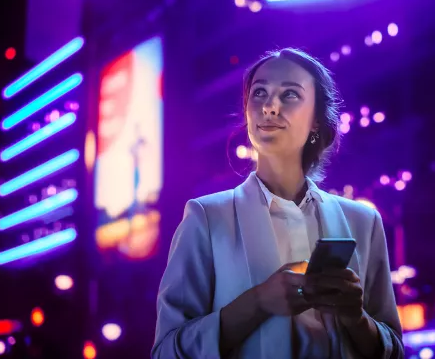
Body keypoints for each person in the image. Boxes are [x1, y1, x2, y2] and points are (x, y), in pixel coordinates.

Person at [151, 48, 404, 359]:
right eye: (259, 93)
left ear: (316, 120)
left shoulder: (363, 222)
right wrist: (257, 302)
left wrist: (355, 318)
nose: (269, 106)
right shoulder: (205, 217)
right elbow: (166, 351)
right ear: (246, 112)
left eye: (290, 95)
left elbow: (394, 351)